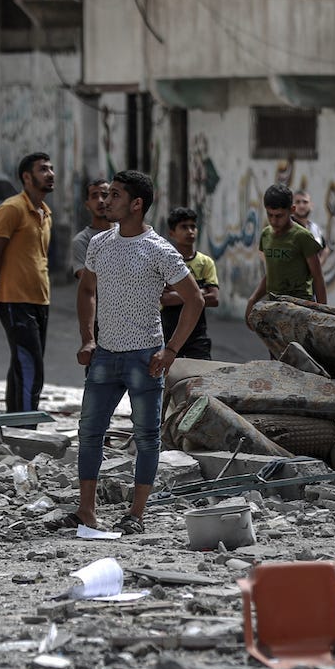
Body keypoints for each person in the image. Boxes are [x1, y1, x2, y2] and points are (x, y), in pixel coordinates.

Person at [74, 170, 204, 534]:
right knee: (89, 433)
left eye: (114, 195)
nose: (105, 200)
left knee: (147, 437)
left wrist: (172, 350)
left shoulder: (159, 249)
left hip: (145, 357)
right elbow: (86, 291)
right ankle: (86, 512)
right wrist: (87, 337)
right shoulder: (100, 243)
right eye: (105, 194)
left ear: (136, 204)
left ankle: (136, 515)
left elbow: (194, 300)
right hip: (105, 355)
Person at [0, 152, 55, 413]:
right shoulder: (12, 208)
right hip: (14, 300)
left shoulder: (45, 213)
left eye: (51, 168)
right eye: (43, 169)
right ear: (27, 176)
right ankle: (25, 427)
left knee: (22, 366)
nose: (50, 173)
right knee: (31, 367)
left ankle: (14, 425)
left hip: (40, 300)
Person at [248, 183, 327, 315]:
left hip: (299, 309)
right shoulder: (266, 235)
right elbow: (272, 273)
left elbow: (318, 277)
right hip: (273, 307)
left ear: (292, 210)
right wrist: (253, 298)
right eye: (270, 215)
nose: (273, 221)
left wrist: (323, 312)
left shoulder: (303, 236)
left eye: (279, 216)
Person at [162, 206, 219, 359]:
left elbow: (214, 299)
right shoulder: (165, 262)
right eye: (184, 227)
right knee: (169, 378)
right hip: (169, 334)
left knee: (201, 377)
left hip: (198, 336)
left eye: (193, 226)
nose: (190, 231)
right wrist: (196, 295)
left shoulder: (205, 262)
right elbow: (164, 299)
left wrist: (177, 295)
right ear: (172, 233)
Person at [68, 178, 112, 281]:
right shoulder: (82, 241)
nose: (100, 201)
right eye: (94, 196)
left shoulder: (125, 233)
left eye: (105, 195)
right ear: (87, 205)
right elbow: (87, 283)